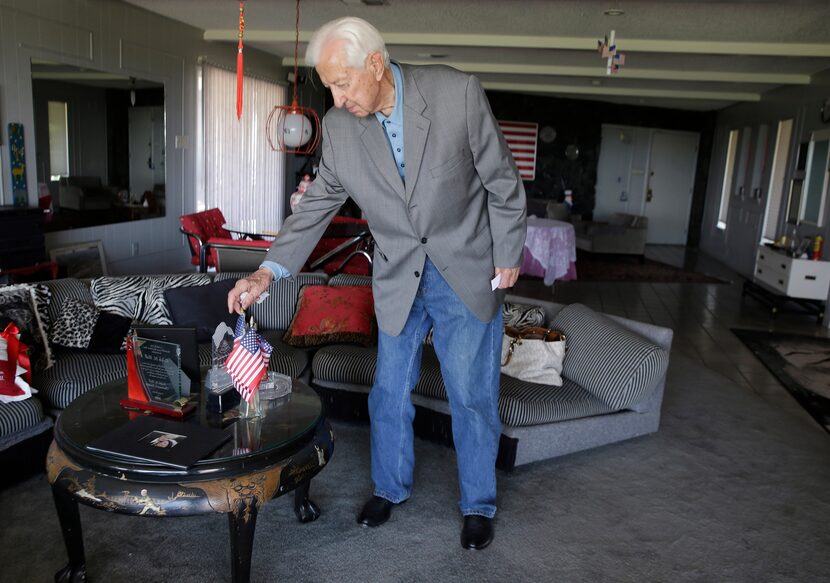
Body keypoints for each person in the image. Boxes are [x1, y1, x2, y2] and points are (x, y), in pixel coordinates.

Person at [227, 16, 526, 550]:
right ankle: (390, 488)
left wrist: (508, 250)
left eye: (342, 83)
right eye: (329, 87)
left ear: (375, 63)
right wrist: (265, 271)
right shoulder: (341, 129)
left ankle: (478, 504)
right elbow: (317, 206)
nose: (337, 100)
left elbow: (501, 180)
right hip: (397, 277)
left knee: (471, 396)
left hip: (466, 267)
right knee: (388, 393)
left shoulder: (457, 94)